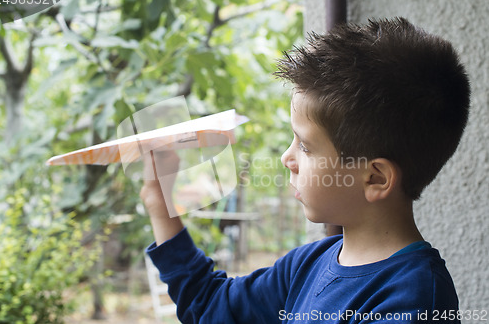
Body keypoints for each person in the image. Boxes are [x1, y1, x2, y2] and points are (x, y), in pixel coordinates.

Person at [140, 17, 470, 323]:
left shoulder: (416, 300)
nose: (287, 158)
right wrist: (159, 203)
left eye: (305, 146)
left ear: (375, 178)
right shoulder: (307, 265)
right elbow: (211, 307)